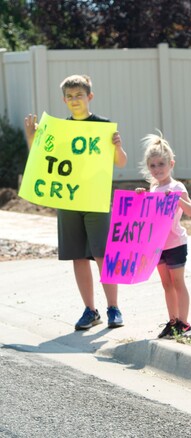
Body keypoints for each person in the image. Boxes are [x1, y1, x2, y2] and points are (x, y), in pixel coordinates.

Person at [23, 74, 128, 330]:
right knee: (78, 256)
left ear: (89, 96)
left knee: (103, 254)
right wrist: (31, 136)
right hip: (67, 200)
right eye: (69, 97)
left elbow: (121, 162)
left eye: (79, 95)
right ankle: (90, 311)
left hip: (96, 201)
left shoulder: (103, 126)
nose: (74, 100)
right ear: (64, 100)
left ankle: (113, 307)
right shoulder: (59, 129)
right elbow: (40, 161)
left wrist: (117, 147)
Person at [136, 132, 191, 338]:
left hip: (175, 243)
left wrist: (177, 198)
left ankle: (184, 322)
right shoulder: (152, 189)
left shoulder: (176, 187)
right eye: (152, 165)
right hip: (157, 245)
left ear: (171, 164)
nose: (157, 169)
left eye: (161, 164)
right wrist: (140, 198)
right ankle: (172, 321)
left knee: (178, 282)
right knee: (166, 284)